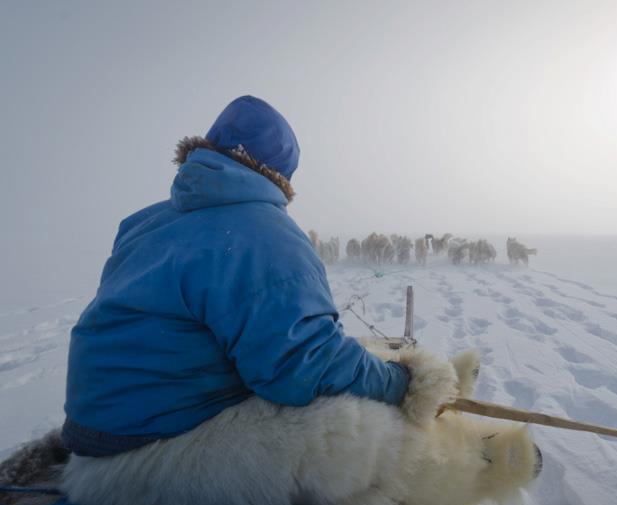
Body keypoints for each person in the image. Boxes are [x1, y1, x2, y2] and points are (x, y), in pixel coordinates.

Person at [61, 95, 413, 457]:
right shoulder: (265, 233)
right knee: (351, 427)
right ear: (282, 173)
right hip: (153, 444)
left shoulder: (146, 221)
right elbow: (304, 367)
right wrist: (398, 383)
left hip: (88, 427)